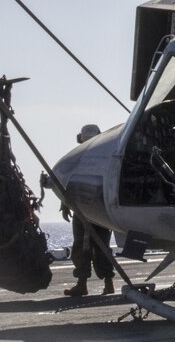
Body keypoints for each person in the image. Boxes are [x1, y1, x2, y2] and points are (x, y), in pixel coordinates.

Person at [63, 124, 115, 297]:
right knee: (102, 247)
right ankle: (108, 283)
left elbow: (70, 182)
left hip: (85, 210)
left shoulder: (80, 158)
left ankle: (82, 284)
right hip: (102, 210)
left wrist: (65, 204)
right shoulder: (104, 156)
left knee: (83, 248)